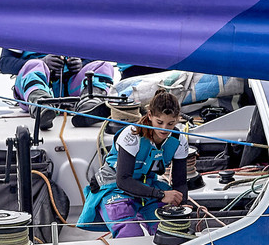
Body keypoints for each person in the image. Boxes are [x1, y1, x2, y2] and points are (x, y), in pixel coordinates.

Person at [78, 90, 189, 237]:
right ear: (150, 116)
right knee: (130, 234)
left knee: (169, 231)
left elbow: (180, 183)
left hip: (147, 186)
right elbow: (123, 180)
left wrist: (182, 204)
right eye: (159, 122)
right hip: (115, 187)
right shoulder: (132, 136)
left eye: (170, 123)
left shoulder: (179, 141)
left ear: (177, 119)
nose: (164, 129)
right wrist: (161, 194)